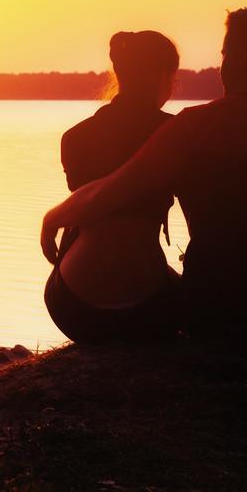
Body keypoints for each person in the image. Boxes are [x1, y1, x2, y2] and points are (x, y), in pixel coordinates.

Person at [41, 5, 247, 341]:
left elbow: (109, 192)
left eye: (225, 52)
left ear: (230, 59)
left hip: (212, 312)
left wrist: (53, 218)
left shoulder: (194, 128)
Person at [44, 30, 183, 344]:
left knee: (84, 229)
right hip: (148, 309)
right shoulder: (177, 134)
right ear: (163, 75)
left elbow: (90, 205)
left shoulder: (75, 137)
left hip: (74, 308)